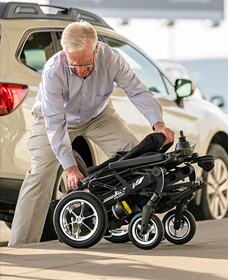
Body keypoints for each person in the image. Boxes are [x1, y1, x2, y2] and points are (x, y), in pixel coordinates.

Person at [8, 21, 174, 246]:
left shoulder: (112, 59)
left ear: (96, 49)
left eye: (86, 64)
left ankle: (136, 223)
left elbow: (137, 91)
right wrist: (70, 168)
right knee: (40, 173)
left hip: (98, 115)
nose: (80, 70)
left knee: (135, 157)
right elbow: (55, 123)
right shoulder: (53, 70)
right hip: (54, 118)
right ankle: (22, 246)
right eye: (73, 64)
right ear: (64, 52)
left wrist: (158, 124)